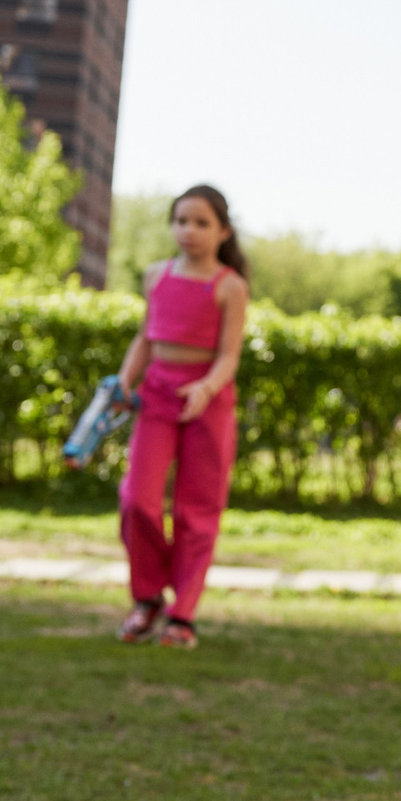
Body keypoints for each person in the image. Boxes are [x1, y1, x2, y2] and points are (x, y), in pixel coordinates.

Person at [113, 186, 249, 650]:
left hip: (207, 400)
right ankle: (148, 595)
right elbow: (144, 340)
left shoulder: (230, 286)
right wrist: (122, 383)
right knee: (137, 499)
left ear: (222, 231)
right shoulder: (155, 276)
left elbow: (229, 356)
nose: (188, 231)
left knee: (197, 510)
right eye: (181, 221)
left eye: (200, 222)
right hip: (156, 396)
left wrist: (206, 388)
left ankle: (182, 616)